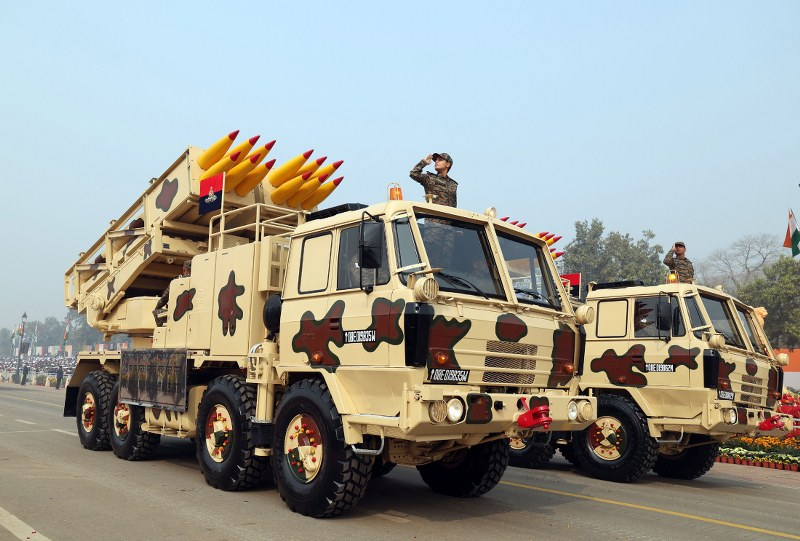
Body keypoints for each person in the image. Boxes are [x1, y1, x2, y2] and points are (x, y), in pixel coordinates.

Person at [153, 260, 192, 326]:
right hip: (193, 312)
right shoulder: (201, 281)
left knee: (156, 312)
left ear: (184, 270)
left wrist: (157, 308)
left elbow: (164, 298)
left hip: (178, 314)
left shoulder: (176, 281)